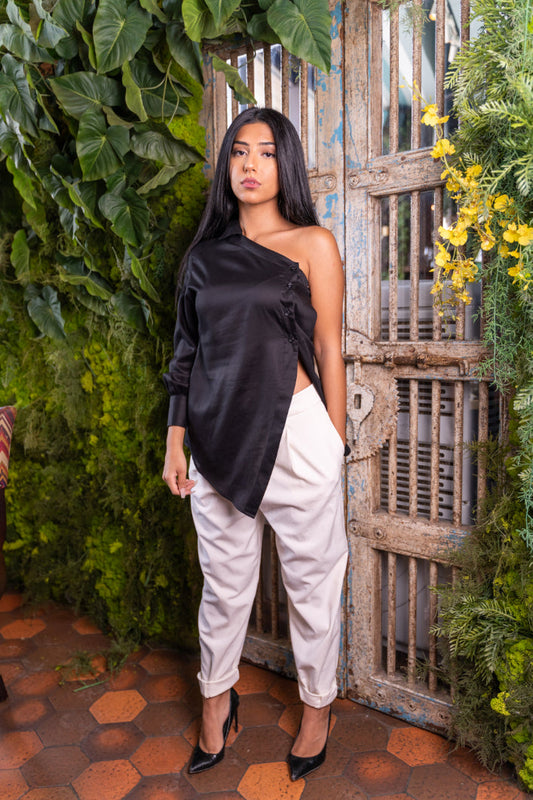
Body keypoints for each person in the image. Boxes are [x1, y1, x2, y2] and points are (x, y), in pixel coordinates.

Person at [162, 107, 348, 782]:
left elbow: (327, 345)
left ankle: (317, 710)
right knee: (224, 589)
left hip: (297, 433)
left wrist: (332, 440)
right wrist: (174, 440)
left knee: (312, 587)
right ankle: (216, 706)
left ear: (285, 164)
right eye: (239, 152)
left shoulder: (312, 243)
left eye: (265, 153)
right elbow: (186, 350)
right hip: (212, 441)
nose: (248, 164)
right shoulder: (203, 257)